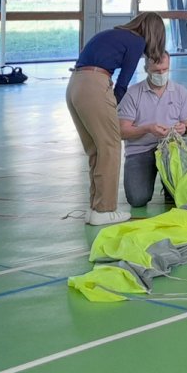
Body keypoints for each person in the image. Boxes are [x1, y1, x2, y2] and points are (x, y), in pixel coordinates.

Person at [66, 12, 167, 226]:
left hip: (75, 83)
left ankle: (95, 208)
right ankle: (105, 209)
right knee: (111, 145)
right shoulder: (136, 42)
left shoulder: (114, 34)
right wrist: (112, 104)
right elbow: (123, 82)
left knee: (96, 149)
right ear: (154, 33)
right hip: (95, 85)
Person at [118, 52, 187, 210]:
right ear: (146, 69)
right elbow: (122, 131)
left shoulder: (180, 92)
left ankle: (169, 186)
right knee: (137, 199)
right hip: (140, 150)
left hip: (171, 149)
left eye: (165, 69)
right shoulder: (133, 93)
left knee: (182, 195)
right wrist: (147, 129)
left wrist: (184, 128)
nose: (161, 74)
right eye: (156, 71)